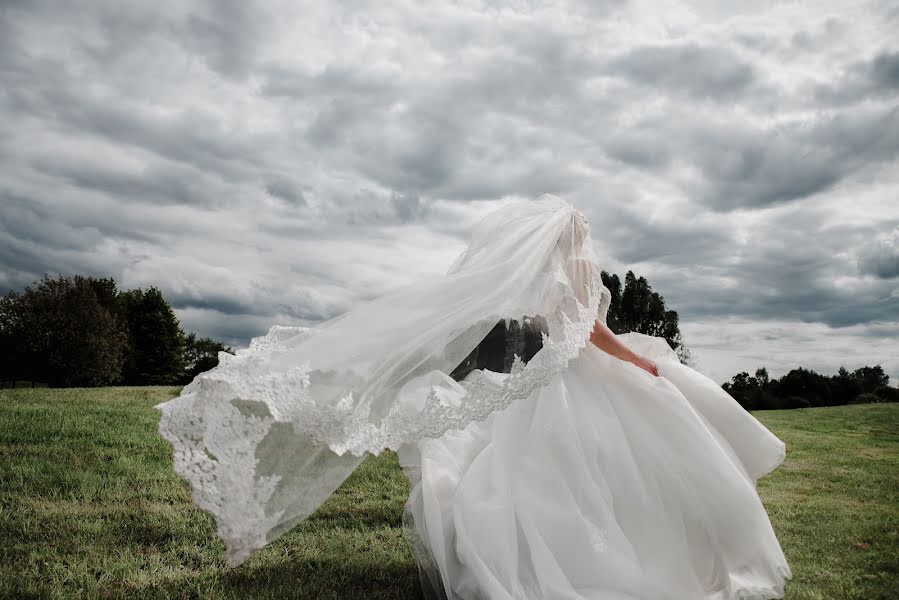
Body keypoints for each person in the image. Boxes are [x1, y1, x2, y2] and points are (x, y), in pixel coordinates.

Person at [156, 194, 792, 599]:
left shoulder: (542, 274)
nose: (587, 240)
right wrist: (639, 361)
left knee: (558, 472)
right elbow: (590, 331)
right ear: (569, 236)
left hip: (553, 378)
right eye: (583, 232)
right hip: (575, 375)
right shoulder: (572, 271)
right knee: (600, 468)